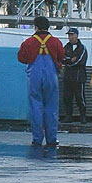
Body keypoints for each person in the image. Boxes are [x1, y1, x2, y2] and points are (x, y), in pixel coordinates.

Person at [18, 16, 65, 147]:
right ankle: (52, 139)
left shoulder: (28, 42)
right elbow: (62, 55)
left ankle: (37, 139)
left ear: (36, 27)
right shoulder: (55, 42)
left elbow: (21, 57)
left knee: (35, 107)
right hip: (51, 77)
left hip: (34, 77)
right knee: (51, 107)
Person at [60, 28, 88, 124]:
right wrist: (70, 60)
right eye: (69, 35)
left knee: (80, 98)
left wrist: (69, 62)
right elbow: (62, 59)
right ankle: (68, 116)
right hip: (68, 76)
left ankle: (83, 116)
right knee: (67, 97)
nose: (70, 37)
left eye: (72, 35)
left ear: (77, 35)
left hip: (79, 77)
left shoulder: (82, 48)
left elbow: (80, 61)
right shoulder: (66, 47)